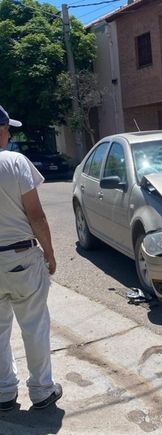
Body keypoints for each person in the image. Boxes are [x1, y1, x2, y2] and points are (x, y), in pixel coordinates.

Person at [0, 105, 62, 411]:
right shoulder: (14, 162)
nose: (10, 135)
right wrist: (49, 253)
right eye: (7, 129)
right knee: (34, 325)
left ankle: (3, 393)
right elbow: (36, 215)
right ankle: (41, 390)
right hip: (21, 257)